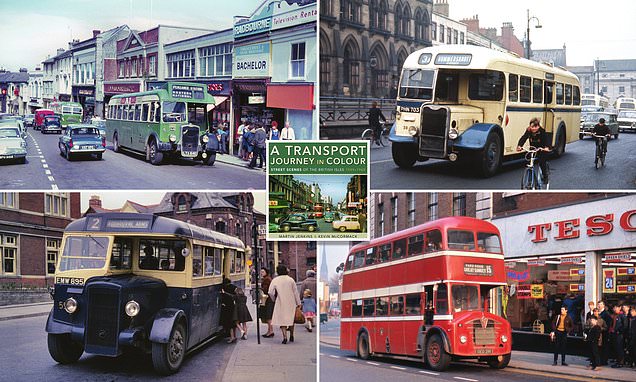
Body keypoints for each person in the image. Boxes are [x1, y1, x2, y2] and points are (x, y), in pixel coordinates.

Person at [269, 264, 301, 344]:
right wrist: (298, 303)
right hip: (291, 302)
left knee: (282, 320)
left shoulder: (275, 280)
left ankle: (284, 337)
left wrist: (274, 299)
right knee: (291, 319)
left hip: (280, 301)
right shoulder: (290, 280)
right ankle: (292, 335)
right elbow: (295, 292)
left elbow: (270, 292)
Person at [516, 117, 551, 184]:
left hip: (541, 149)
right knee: (528, 160)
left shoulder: (542, 131)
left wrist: (546, 147)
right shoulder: (528, 130)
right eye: (532, 127)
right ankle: (530, 178)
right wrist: (519, 146)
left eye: (536, 127)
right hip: (533, 149)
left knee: (542, 162)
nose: (534, 128)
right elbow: (523, 138)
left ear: (538, 126)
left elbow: (546, 140)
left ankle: (545, 176)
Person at [220, 278, 238, 343]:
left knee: (229, 323)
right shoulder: (234, 287)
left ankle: (232, 337)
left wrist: (224, 293)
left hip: (227, 307)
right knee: (233, 321)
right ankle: (235, 336)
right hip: (233, 306)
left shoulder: (224, 288)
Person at [260, 268, 275, 338]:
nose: (261, 273)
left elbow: (266, 290)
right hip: (269, 299)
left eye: (263, 272)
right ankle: (269, 330)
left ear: (266, 272)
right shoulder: (267, 278)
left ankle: (271, 331)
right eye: (261, 271)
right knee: (268, 315)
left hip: (267, 299)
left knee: (268, 316)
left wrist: (260, 289)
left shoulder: (266, 279)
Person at [598, 301, 612, 365]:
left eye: (601, 304)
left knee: (604, 347)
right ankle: (599, 360)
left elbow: (608, 324)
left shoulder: (606, 313)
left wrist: (605, 330)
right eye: (598, 305)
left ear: (603, 305)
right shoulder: (597, 313)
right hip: (598, 333)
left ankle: (604, 361)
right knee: (599, 347)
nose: (599, 306)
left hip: (604, 333)